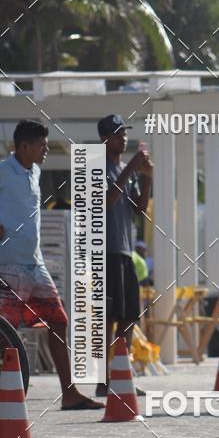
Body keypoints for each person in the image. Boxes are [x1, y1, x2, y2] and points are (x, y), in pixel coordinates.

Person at [0, 119, 102, 410]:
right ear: (24, 146)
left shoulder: (35, 171)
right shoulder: (3, 171)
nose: (46, 149)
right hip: (8, 265)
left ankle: (69, 394)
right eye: (42, 145)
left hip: (35, 264)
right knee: (5, 333)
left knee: (58, 321)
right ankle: (8, 397)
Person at [95, 115, 153, 397]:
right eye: (118, 134)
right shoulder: (96, 166)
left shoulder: (124, 169)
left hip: (126, 251)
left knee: (130, 315)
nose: (124, 138)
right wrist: (131, 168)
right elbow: (106, 201)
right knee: (108, 316)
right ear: (104, 138)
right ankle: (103, 379)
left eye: (125, 133)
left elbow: (139, 210)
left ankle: (122, 374)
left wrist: (147, 177)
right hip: (105, 251)